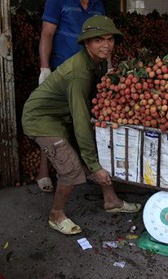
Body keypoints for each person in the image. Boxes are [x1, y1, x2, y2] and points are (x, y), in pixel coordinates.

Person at [22, 15, 141, 236]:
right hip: (41, 119)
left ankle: (111, 200)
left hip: (61, 115)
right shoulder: (79, 74)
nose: (106, 45)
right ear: (86, 43)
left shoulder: (98, 62)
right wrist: (93, 167)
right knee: (71, 168)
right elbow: (80, 121)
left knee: (95, 150)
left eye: (109, 39)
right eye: (98, 40)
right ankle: (56, 215)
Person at [36, 0, 106, 193]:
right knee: (54, 121)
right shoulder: (57, 1)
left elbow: (104, 38)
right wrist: (44, 67)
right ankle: (43, 171)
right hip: (62, 70)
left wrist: (108, 68)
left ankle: (83, 168)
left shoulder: (97, 5)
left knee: (83, 120)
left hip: (87, 72)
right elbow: (47, 33)